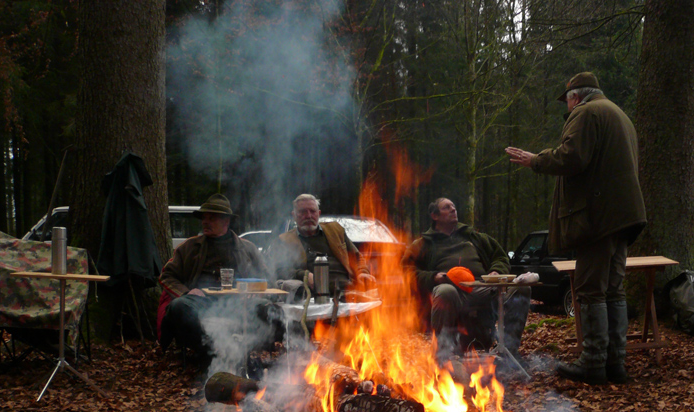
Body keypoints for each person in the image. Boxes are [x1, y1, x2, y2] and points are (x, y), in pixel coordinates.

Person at [506, 71, 646, 384]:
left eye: (567, 101)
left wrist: (536, 160)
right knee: (612, 289)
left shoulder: (586, 113)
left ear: (575, 96)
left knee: (590, 289)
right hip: (623, 216)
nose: (567, 108)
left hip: (598, 218)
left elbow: (572, 157)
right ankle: (615, 364)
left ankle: (593, 363)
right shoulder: (620, 115)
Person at [402, 197, 530, 358]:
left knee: (522, 288)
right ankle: (443, 354)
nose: (453, 210)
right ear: (435, 216)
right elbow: (407, 270)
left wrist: (496, 271)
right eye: (447, 207)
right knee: (445, 291)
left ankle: (509, 350)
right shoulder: (423, 244)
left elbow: (500, 257)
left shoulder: (473, 237)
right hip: (454, 292)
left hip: (484, 288)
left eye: (453, 206)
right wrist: (433, 277)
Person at [157, 194, 273, 357]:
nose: (205, 222)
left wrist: (257, 289)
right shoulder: (190, 247)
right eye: (204, 218)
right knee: (179, 307)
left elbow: (266, 277)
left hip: (239, 302)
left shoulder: (247, 248)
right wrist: (186, 293)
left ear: (226, 221)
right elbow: (167, 276)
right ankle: (211, 350)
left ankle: (253, 354)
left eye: (212, 218)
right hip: (202, 302)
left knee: (269, 309)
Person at [269, 194, 376, 297]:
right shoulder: (284, 240)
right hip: (312, 297)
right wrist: (304, 275)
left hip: (348, 292)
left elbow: (357, 257)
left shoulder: (335, 230)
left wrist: (362, 272)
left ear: (318, 213)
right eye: (302, 212)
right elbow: (280, 271)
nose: (308, 216)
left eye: (312, 211)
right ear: (294, 215)